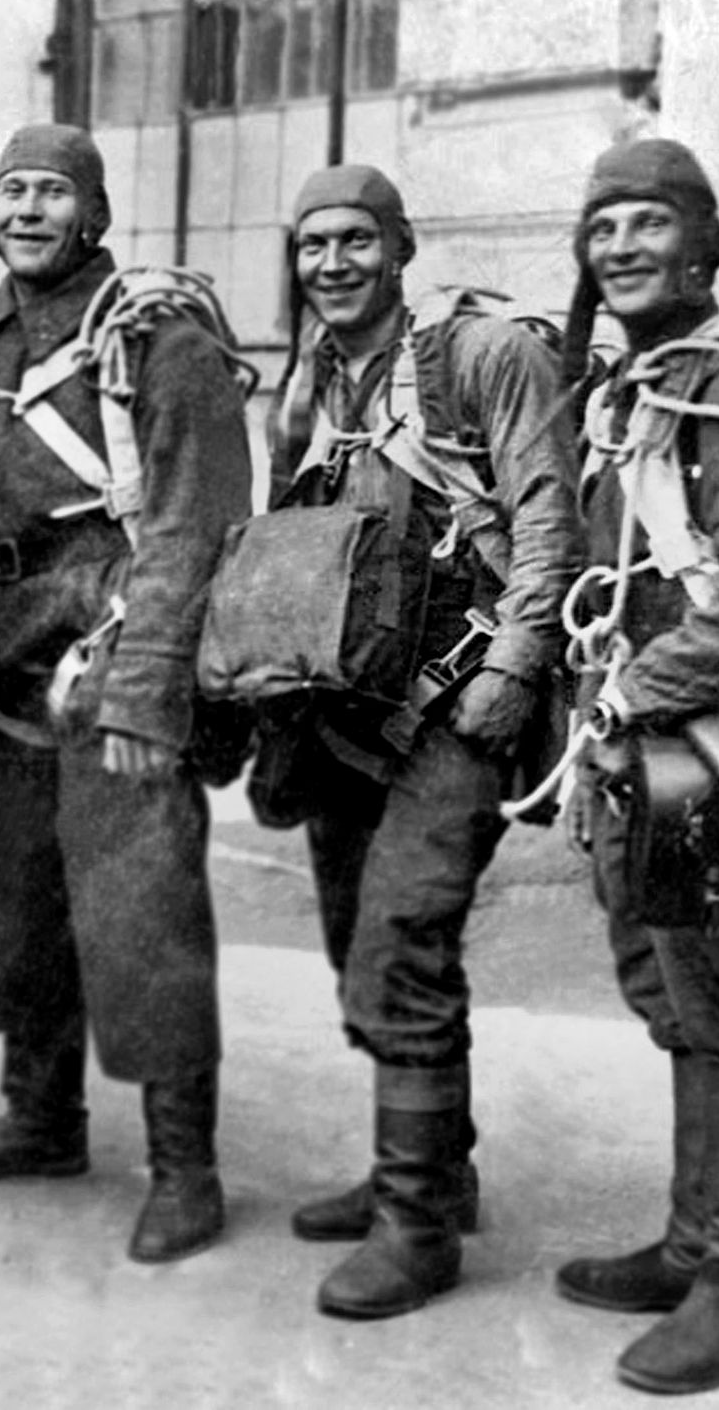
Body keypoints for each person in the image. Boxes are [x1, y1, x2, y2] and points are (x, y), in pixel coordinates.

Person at [0, 124, 253, 1263]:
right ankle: (40, 1116)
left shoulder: (156, 339)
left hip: (107, 655)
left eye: (52, 194)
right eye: (10, 193)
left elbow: (192, 523)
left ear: (93, 214)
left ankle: (182, 1167)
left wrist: (149, 688)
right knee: (17, 904)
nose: (26, 213)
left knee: (141, 913)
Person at [259, 164, 581, 1318]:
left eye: (354, 242)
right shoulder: (304, 384)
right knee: (361, 950)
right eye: (311, 247)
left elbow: (550, 520)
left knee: (398, 944)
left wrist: (514, 667)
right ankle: (433, 1166)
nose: (331, 265)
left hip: (454, 704)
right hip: (343, 705)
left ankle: (417, 1226)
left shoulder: (481, 358)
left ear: (401, 248)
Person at [552, 138, 719, 1397]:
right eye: (600, 224)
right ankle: (687, 1244)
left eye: (647, 222)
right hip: (651, 757)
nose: (618, 246)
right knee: (674, 1004)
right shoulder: (646, 383)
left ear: (704, 242)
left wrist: (629, 691)